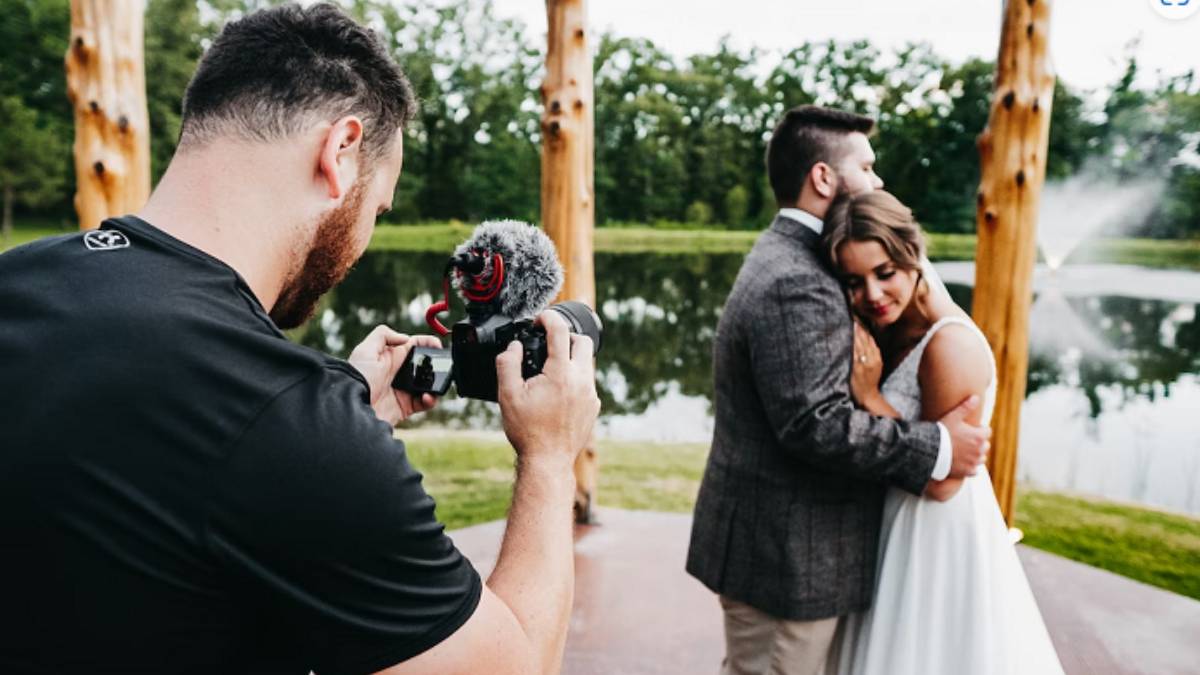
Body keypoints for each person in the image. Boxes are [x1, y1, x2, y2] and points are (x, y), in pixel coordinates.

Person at [0, 4, 599, 674]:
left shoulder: (18, 279)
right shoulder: (282, 419)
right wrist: (550, 454)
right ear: (340, 151)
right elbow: (515, 665)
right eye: (377, 208)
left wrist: (336, 410)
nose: (365, 239)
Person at [685, 105, 992, 675]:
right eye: (867, 167)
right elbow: (815, 424)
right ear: (824, 177)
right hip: (786, 559)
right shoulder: (799, 278)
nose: (878, 180)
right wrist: (939, 447)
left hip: (783, 547)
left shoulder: (792, 255)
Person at [822, 190, 1063, 675]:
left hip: (931, 533)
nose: (872, 294)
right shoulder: (888, 327)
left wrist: (869, 396)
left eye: (885, 273)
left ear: (913, 257)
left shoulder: (949, 345)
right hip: (892, 520)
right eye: (854, 281)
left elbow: (943, 482)